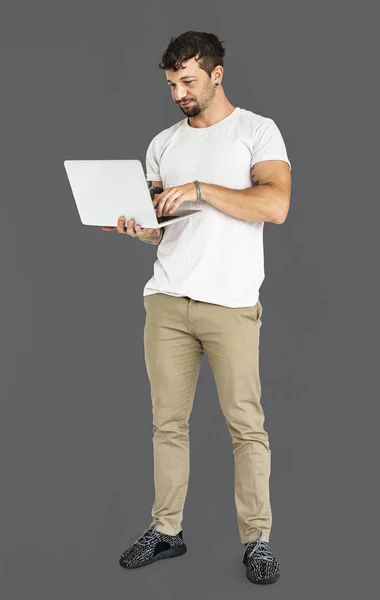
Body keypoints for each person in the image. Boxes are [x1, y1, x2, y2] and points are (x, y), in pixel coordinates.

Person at [103, 31, 291, 585]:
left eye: (187, 81)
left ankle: (257, 541)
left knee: (245, 426)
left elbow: (275, 205)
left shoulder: (257, 131)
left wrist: (202, 189)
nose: (179, 92)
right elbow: (163, 233)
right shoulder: (162, 143)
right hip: (167, 301)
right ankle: (166, 531)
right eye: (171, 84)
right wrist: (139, 227)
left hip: (231, 304)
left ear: (216, 74)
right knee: (167, 424)